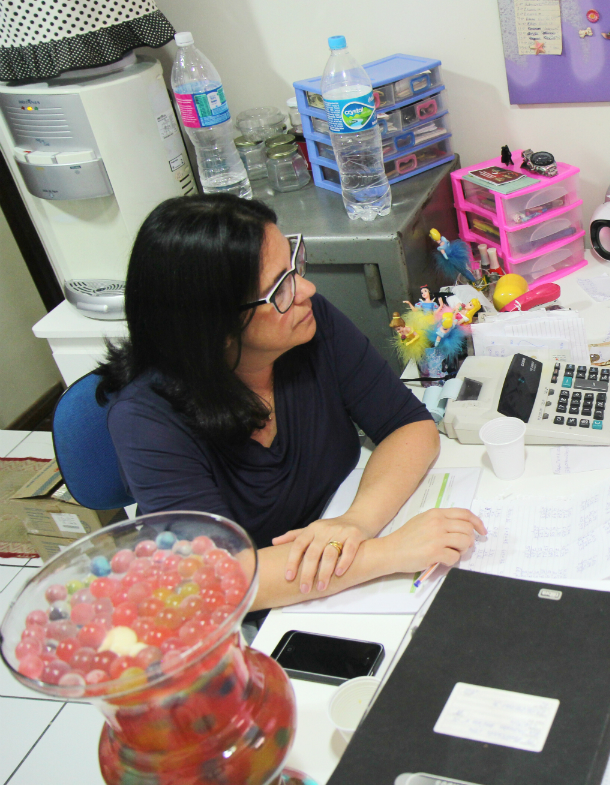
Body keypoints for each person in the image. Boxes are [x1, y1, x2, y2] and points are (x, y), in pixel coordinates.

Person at [99, 194, 485, 610]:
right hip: (268, 607)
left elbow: (409, 425)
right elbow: (213, 579)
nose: (306, 289)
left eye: (293, 266)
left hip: (334, 544)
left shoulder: (304, 322)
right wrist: (387, 553)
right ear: (216, 327)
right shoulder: (146, 421)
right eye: (278, 288)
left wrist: (353, 524)